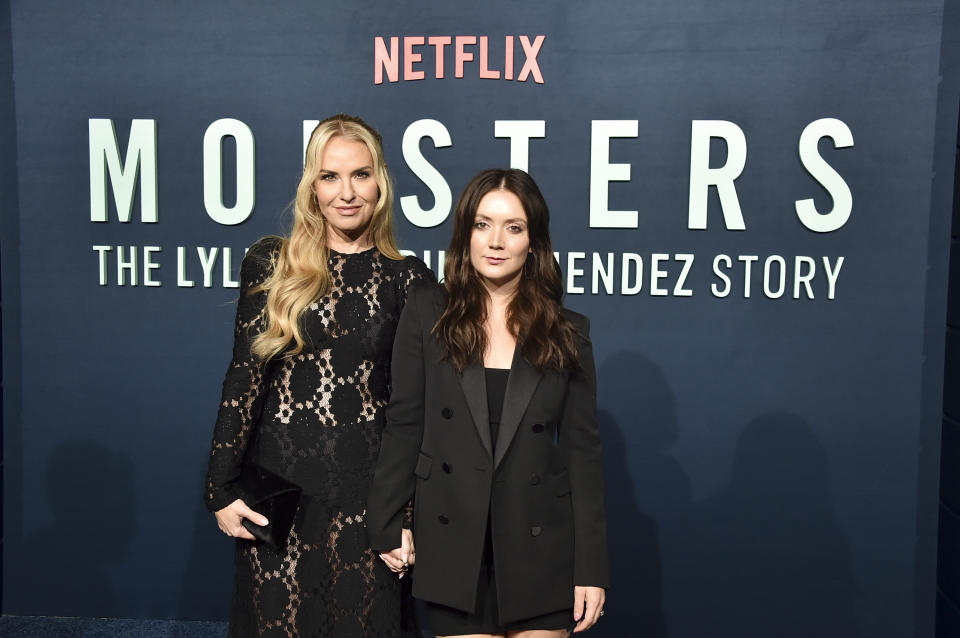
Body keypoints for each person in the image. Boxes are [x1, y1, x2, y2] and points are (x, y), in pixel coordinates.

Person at [204, 113, 433, 637]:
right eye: (330, 176)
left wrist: (408, 514)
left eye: (360, 174)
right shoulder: (271, 263)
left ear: (381, 183)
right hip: (278, 496)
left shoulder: (408, 278)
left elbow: (411, 410)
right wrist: (218, 487)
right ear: (312, 186)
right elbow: (244, 378)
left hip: (368, 500)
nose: (346, 192)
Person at [367, 168, 609, 637]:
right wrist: (387, 520)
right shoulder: (426, 311)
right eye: (483, 224)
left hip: (541, 550)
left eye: (513, 228)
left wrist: (591, 568)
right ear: (466, 233)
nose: (495, 241)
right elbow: (405, 424)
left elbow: (584, 456)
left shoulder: (568, 331)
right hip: (455, 547)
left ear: (534, 241)